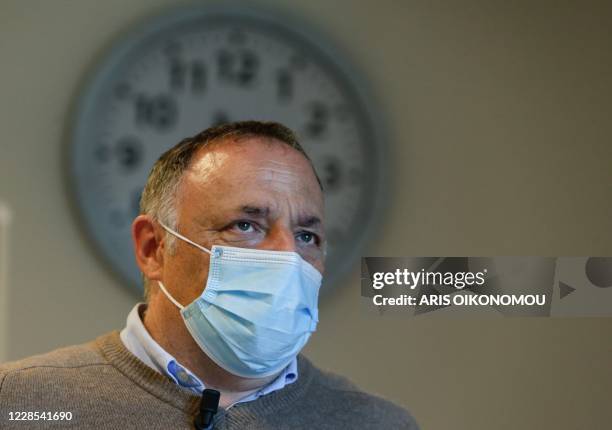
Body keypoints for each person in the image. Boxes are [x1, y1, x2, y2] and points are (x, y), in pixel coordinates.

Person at [0, 121, 418, 429]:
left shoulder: (376, 423)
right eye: (246, 226)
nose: (288, 257)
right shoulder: (21, 402)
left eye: (306, 235)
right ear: (153, 248)